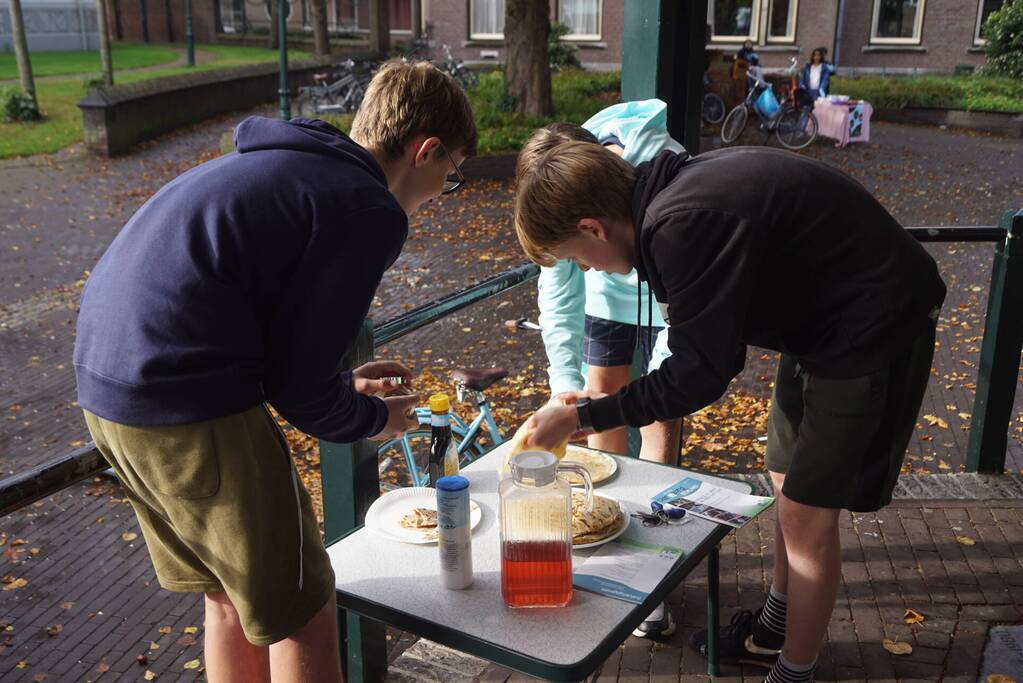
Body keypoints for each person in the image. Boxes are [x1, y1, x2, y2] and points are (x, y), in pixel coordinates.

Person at [73, 60, 475, 682]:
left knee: (230, 596)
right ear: (426, 151)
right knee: (302, 610)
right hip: (190, 400)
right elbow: (299, 390)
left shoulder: (285, 168)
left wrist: (341, 386)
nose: (438, 193)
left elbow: (270, 336)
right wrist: (372, 417)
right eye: (449, 175)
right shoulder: (366, 205)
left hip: (109, 393)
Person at [513, 142, 945, 683]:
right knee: (784, 478)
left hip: (872, 323)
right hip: (819, 324)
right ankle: (775, 630)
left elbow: (700, 374)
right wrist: (593, 410)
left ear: (592, 228)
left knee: (806, 514)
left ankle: (794, 674)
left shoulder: (681, 225)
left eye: (575, 257)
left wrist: (584, 418)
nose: (584, 267)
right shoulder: (665, 202)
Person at [516, 100, 684, 639]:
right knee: (596, 403)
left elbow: (688, 345)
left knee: (658, 418)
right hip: (607, 302)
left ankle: (652, 567)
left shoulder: (658, 172)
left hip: (667, 299)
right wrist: (566, 386)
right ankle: (608, 538)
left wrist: (661, 383)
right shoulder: (566, 209)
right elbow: (559, 287)